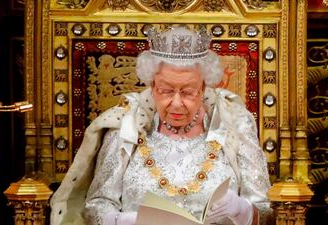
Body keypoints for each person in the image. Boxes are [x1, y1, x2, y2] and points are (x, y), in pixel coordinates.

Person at [50, 26, 271, 225]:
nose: (176, 103)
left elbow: (269, 212)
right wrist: (121, 222)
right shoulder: (125, 128)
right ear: (152, 84)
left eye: (188, 92)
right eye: (165, 90)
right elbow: (96, 205)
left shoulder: (235, 126)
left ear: (204, 87)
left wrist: (244, 211)